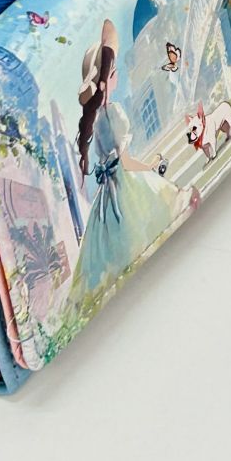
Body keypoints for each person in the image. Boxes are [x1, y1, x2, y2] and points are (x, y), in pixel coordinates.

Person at [68, 19, 194, 310]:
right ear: (105, 81)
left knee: (107, 253)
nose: (118, 76)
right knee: (149, 219)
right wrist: (151, 167)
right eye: (114, 73)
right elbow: (125, 162)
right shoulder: (113, 114)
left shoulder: (95, 121)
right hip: (125, 187)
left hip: (106, 198)